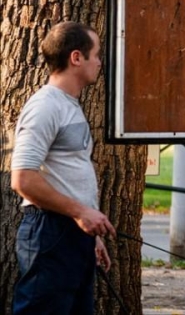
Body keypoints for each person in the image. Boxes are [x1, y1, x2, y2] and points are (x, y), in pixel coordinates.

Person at [10, 21, 116, 315]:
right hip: (49, 232)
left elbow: (66, 173)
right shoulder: (45, 106)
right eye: (95, 54)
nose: (99, 61)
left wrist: (89, 233)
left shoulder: (69, 105)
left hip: (73, 233)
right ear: (76, 58)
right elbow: (22, 179)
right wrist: (82, 213)